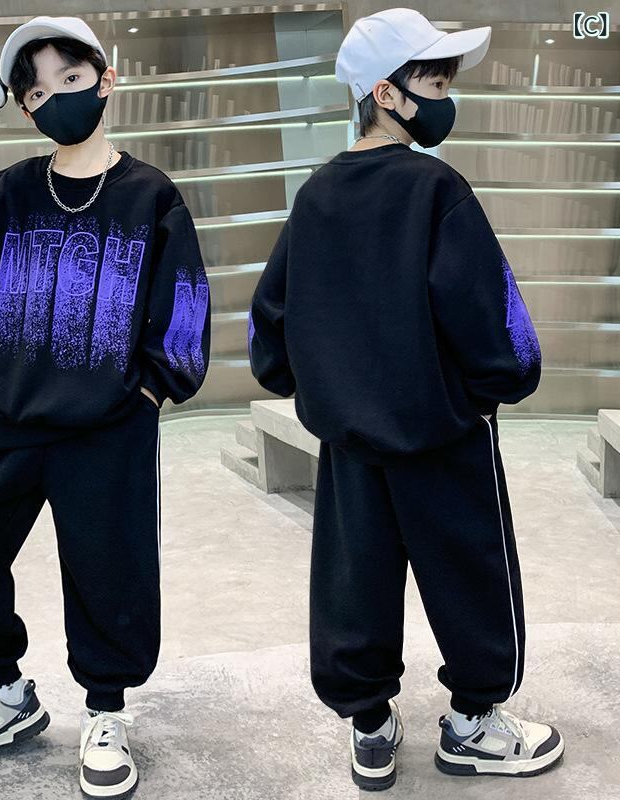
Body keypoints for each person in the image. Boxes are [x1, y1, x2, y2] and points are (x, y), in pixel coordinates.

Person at [248, 7, 563, 792]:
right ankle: (473, 725)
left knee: (354, 583)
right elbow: (493, 317)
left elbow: (270, 325)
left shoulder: (316, 196)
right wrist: (493, 388)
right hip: (441, 433)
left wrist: (324, 390)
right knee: (471, 576)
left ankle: (370, 726)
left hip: (351, 442)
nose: (446, 99)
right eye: (436, 84)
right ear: (386, 94)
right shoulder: (436, 189)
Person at [0, 15, 210, 798]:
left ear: (106, 80)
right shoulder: (6, 192)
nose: (56, 98)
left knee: (110, 572)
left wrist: (149, 393)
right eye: (37, 92)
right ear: (26, 108)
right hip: (7, 418)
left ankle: (105, 710)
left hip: (107, 425)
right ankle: (5, 694)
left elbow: (184, 305)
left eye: (70, 80)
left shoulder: (149, 195)